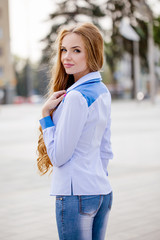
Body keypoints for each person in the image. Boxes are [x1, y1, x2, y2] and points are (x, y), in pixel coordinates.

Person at [37, 22, 113, 240]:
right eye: (64, 49)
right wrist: (96, 179)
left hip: (76, 195)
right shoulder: (101, 91)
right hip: (101, 191)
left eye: (76, 50)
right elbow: (105, 149)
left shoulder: (76, 97)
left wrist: (45, 116)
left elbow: (59, 157)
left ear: (92, 53)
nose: (66, 57)